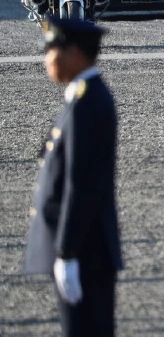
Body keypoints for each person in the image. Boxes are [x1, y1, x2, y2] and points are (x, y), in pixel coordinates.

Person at [24, 17, 122, 337]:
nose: (47, 59)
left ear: (75, 53)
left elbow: (80, 183)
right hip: (84, 248)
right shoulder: (83, 97)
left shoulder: (87, 103)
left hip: (84, 251)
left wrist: (67, 252)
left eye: (52, 50)